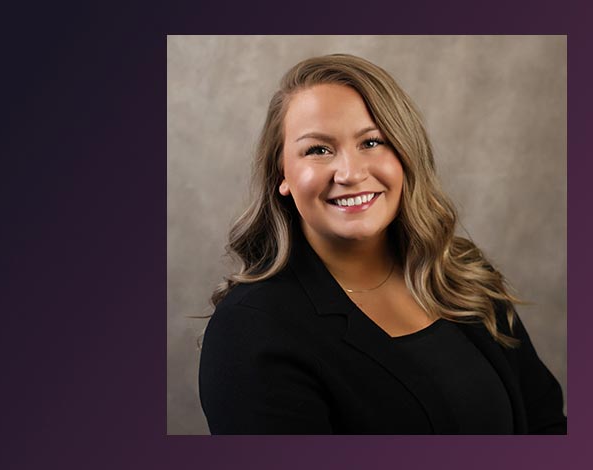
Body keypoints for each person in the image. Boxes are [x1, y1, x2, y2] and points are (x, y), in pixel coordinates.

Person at [199, 53, 566, 434]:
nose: (351, 173)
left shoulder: (461, 275)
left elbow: (548, 427)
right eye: (318, 150)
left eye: (372, 142)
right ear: (283, 174)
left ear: (406, 155)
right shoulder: (250, 331)